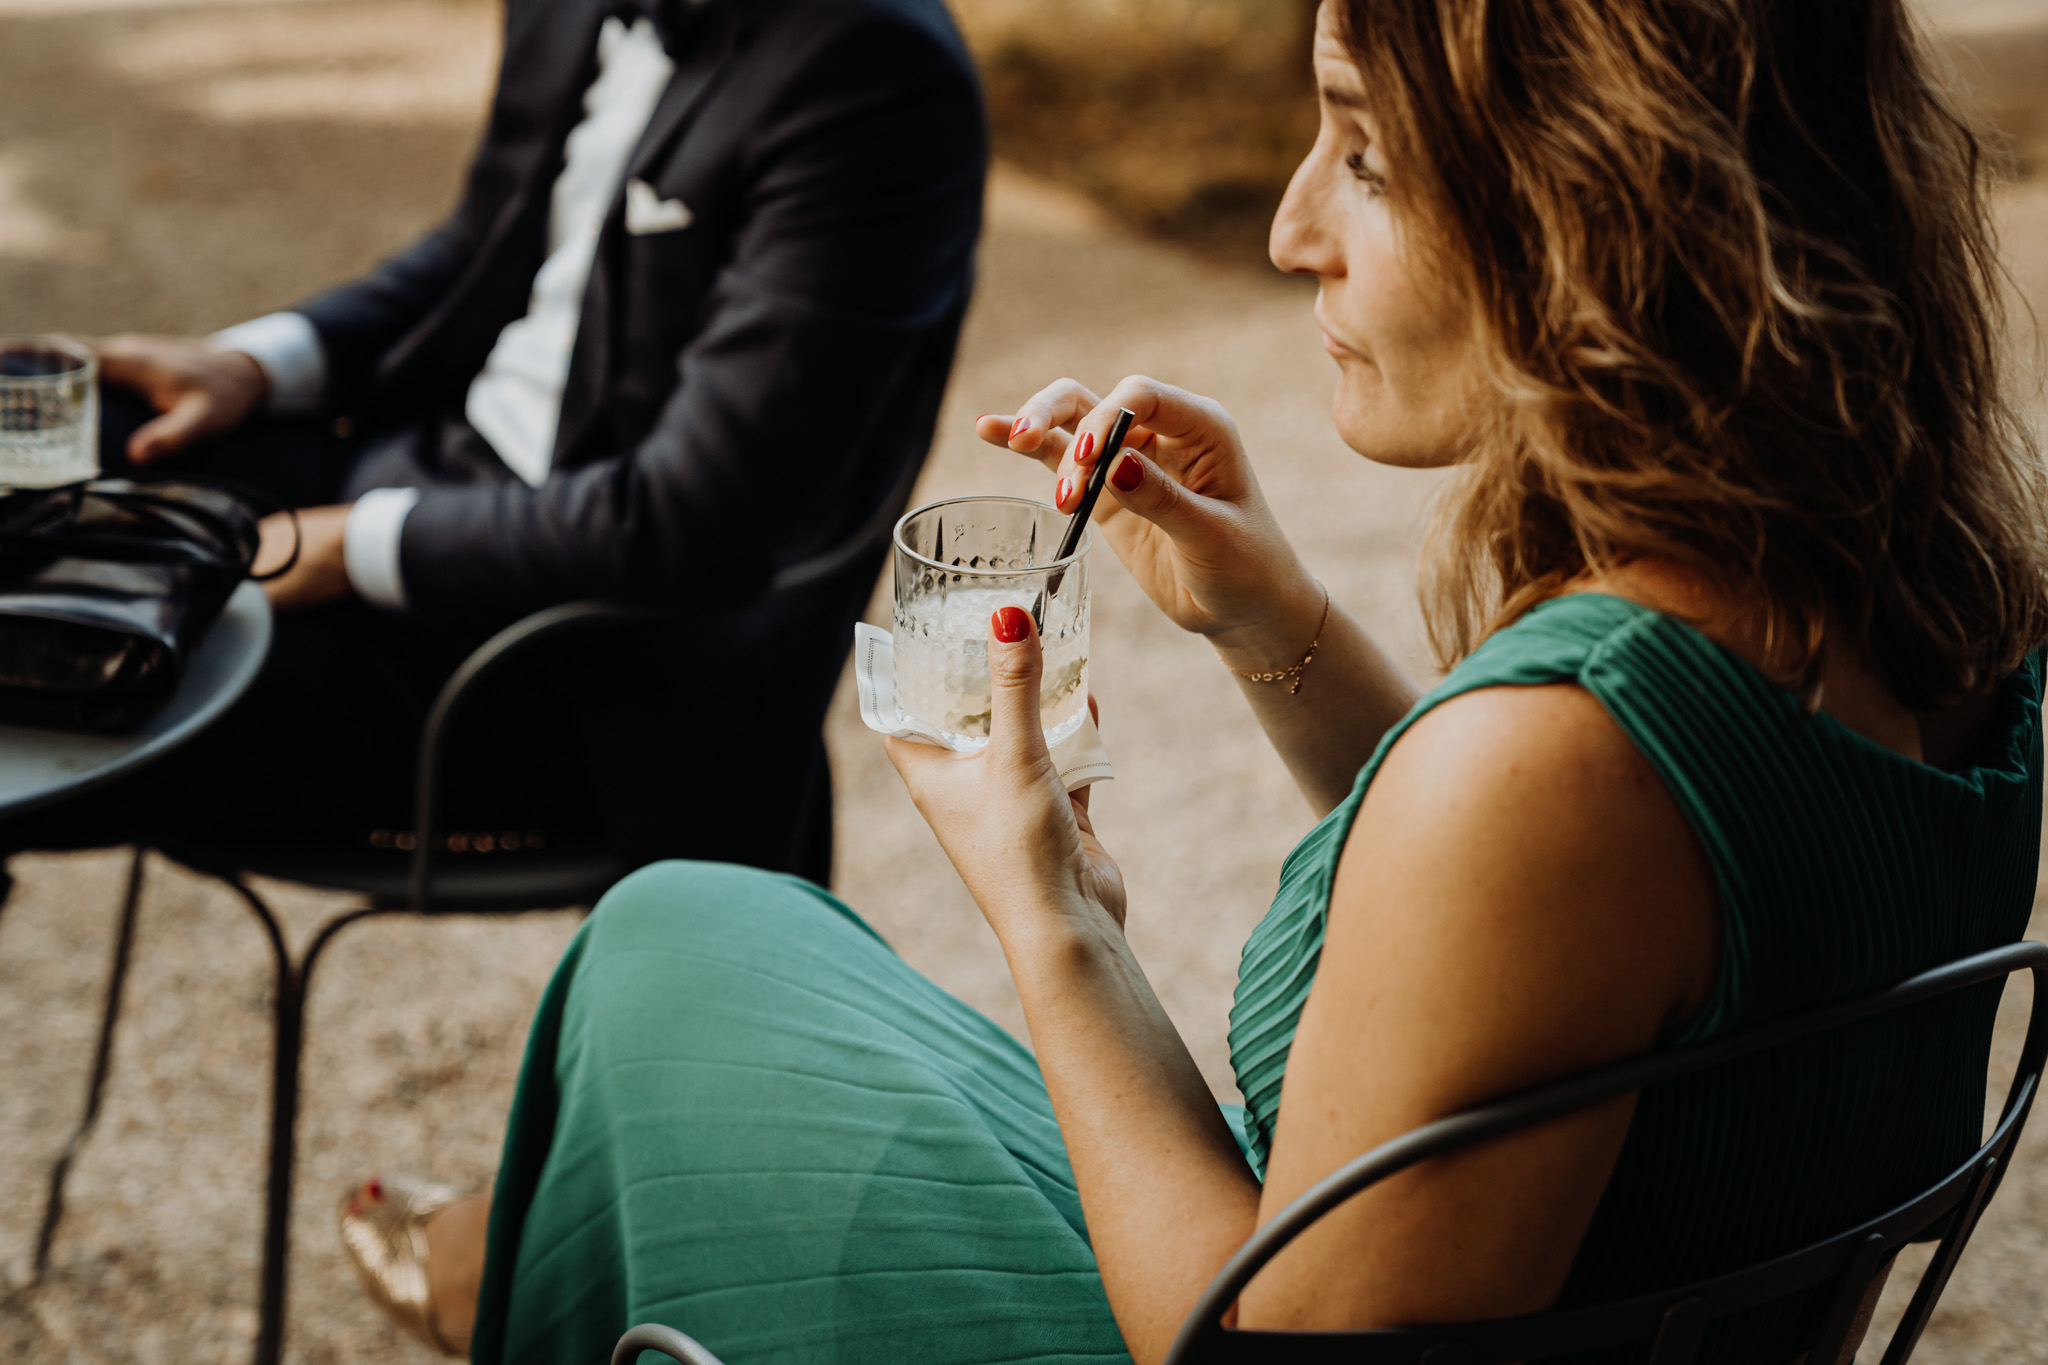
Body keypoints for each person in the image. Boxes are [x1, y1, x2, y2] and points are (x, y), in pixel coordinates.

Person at [337, 0, 2047, 1359]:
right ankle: (496, 1274)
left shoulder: (1554, 769)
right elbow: (1581, 944)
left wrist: (1046, 911)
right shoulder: (1931, 605)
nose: (1293, 226)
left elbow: (1248, 1339)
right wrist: (1266, 613)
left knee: (666, 950)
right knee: (710, 940)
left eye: (1364, 160)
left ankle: (496, 1286)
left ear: (1597, 198)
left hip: (1227, 1308)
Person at [4, 0, 985, 885]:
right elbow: (489, 242)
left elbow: (694, 519)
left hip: (577, 650)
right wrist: (258, 367)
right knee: (38, 437)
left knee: (35, 685)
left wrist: (355, 544)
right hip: (425, 471)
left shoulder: (875, 70)